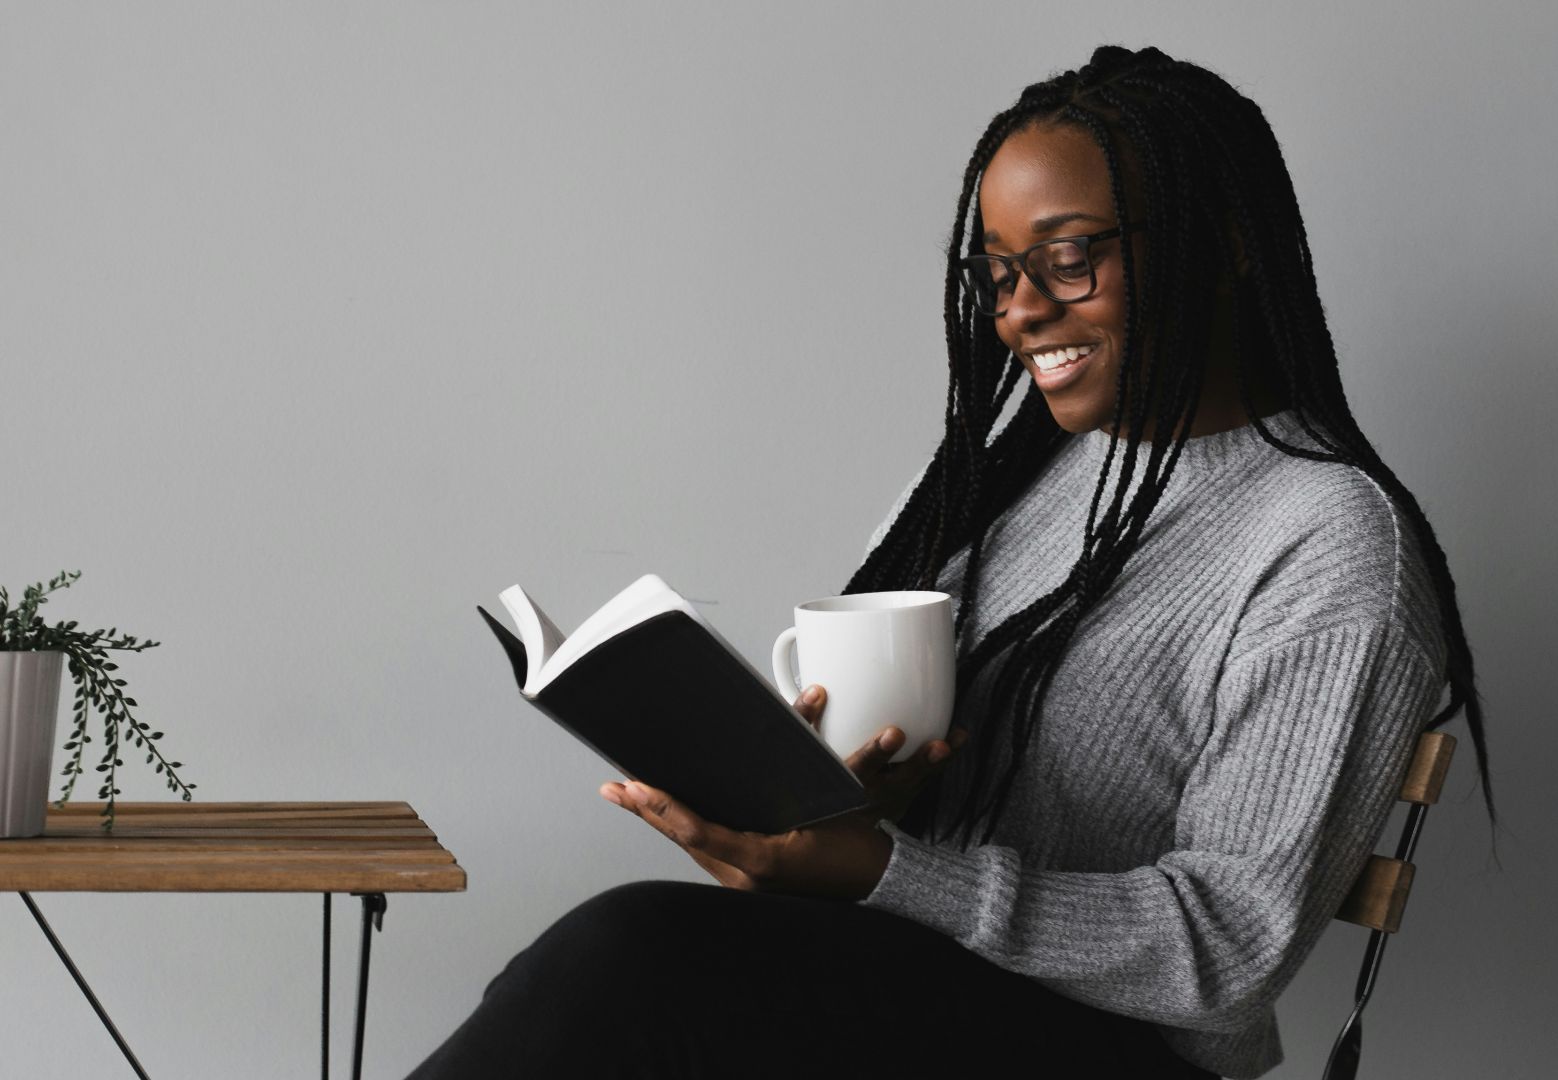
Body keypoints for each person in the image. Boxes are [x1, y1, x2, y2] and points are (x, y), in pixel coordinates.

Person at [406, 44, 1496, 1080]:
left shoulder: (1328, 542)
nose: (1021, 311)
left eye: (1069, 258)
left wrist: (886, 870)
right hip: (935, 1001)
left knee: (627, 962)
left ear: (1223, 242)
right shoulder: (1009, 482)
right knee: (595, 990)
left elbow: (1228, 949)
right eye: (1001, 272)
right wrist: (848, 810)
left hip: (1114, 1055)